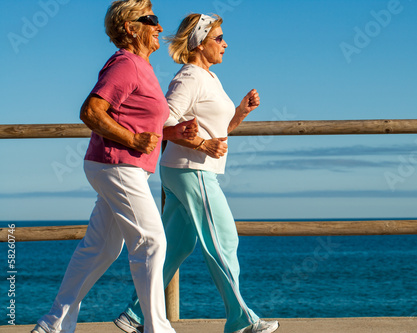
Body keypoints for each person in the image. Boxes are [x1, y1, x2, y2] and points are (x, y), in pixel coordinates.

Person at [31, 1, 198, 333]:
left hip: (117, 166)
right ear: (130, 27)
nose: (160, 28)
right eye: (152, 20)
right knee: (152, 241)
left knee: (101, 248)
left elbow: (134, 120)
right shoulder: (125, 64)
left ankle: (53, 324)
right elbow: (91, 111)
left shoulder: (141, 66)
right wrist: (133, 141)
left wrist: (169, 132)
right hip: (117, 165)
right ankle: (157, 328)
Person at [114, 13, 280, 333]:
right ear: (200, 43)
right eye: (218, 38)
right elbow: (162, 122)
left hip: (189, 171)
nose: (225, 43)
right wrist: (202, 145)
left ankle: (135, 314)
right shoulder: (189, 76)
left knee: (177, 247)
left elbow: (216, 130)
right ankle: (240, 320)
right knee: (223, 240)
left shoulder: (209, 78)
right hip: (191, 171)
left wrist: (241, 112)